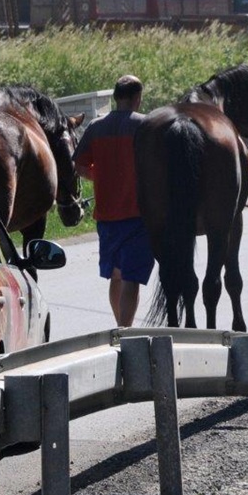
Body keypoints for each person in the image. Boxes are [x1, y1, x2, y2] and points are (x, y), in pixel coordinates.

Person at [72, 74, 155, 327]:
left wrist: (102, 175)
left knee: (116, 276)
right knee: (131, 278)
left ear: (116, 97)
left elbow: (79, 165)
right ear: (137, 98)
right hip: (137, 215)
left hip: (106, 216)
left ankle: (119, 328)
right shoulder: (145, 125)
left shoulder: (96, 128)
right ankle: (125, 330)